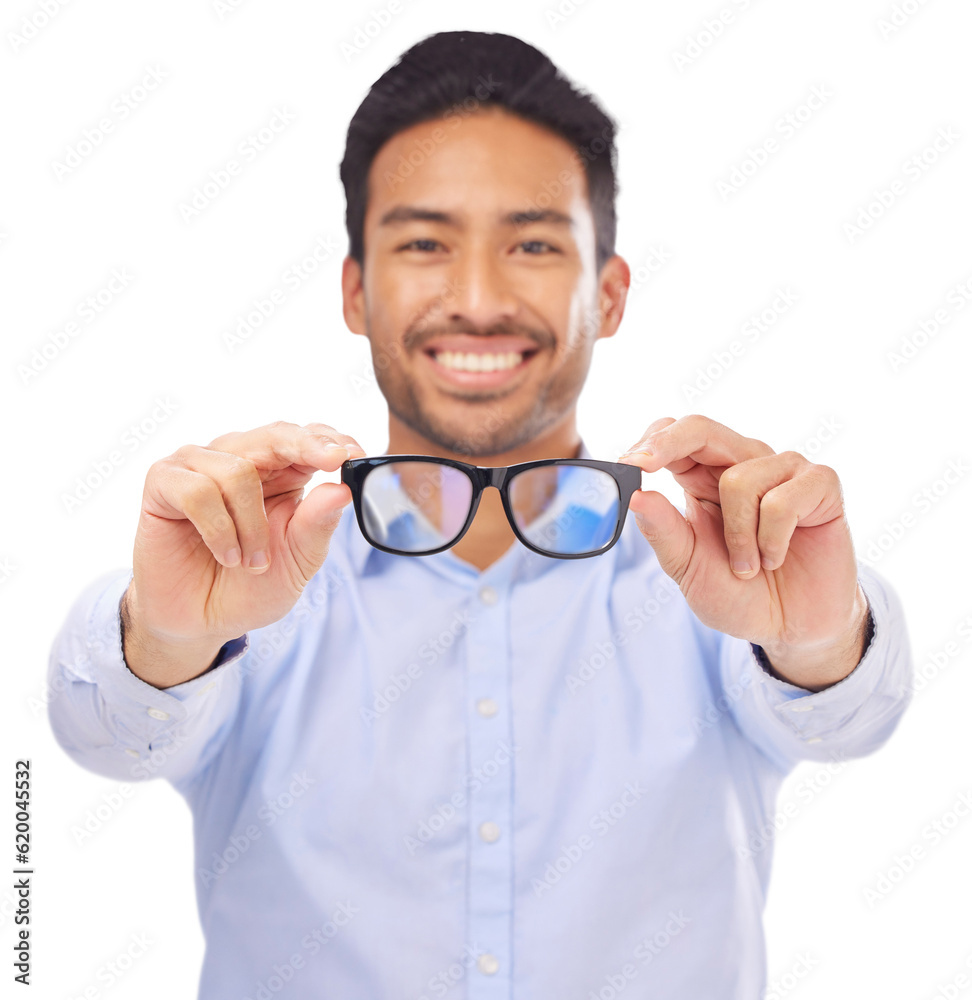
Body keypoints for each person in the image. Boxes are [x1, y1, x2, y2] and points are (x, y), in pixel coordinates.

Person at [47, 30, 913, 1000]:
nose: (478, 298)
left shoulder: (714, 578)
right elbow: (101, 733)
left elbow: (853, 719)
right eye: (424, 243)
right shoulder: (246, 576)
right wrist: (161, 636)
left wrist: (828, 633)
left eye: (535, 244)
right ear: (355, 292)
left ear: (610, 293)